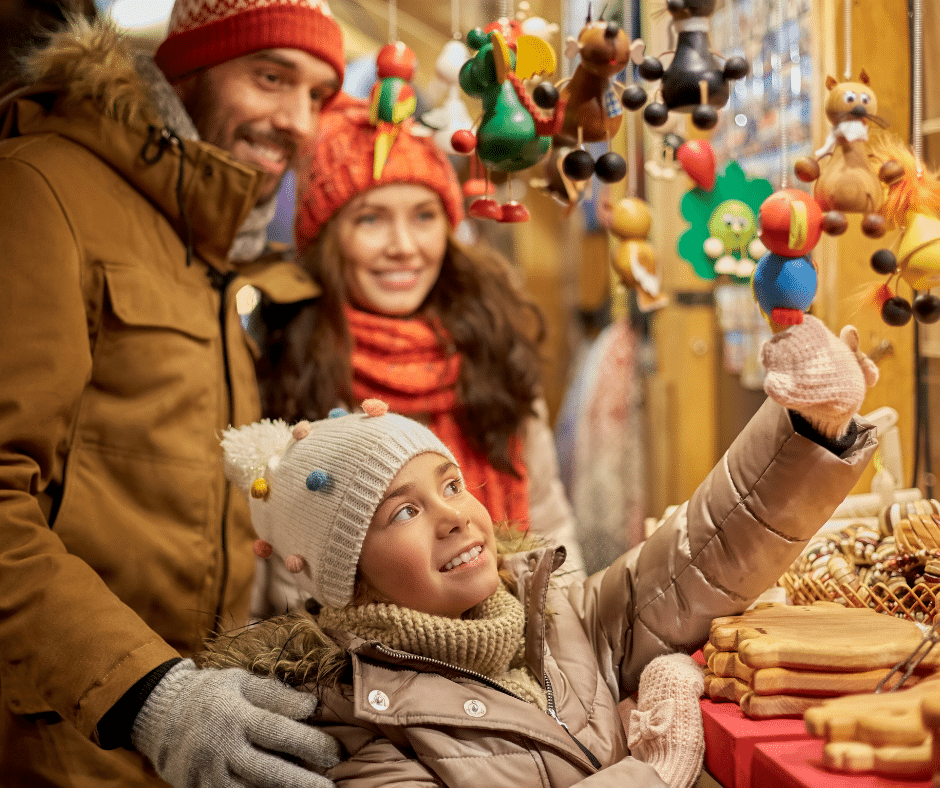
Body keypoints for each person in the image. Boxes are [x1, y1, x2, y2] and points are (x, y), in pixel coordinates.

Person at [208, 313, 879, 787]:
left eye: (451, 484)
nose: (452, 517)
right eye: (404, 512)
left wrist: (804, 428)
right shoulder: (359, 732)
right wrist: (653, 771)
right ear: (347, 577)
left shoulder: (560, 618)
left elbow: (696, 558)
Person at [0, 0, 348, 785]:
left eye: (318, 95)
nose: (297, 120)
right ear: (187, 70)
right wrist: (149, 696)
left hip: (183, 740)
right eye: (270, 77)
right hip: (63, 743)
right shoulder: (41, 189)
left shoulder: (201, 239)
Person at [255, 94, 584, 615]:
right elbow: (286, 585)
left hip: (519, 646)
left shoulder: (490, 345)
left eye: (425, 216)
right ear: (326, 237)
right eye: (371, 220)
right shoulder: (289, 368)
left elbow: (548, 525)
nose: (404, 246)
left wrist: (566, 649)